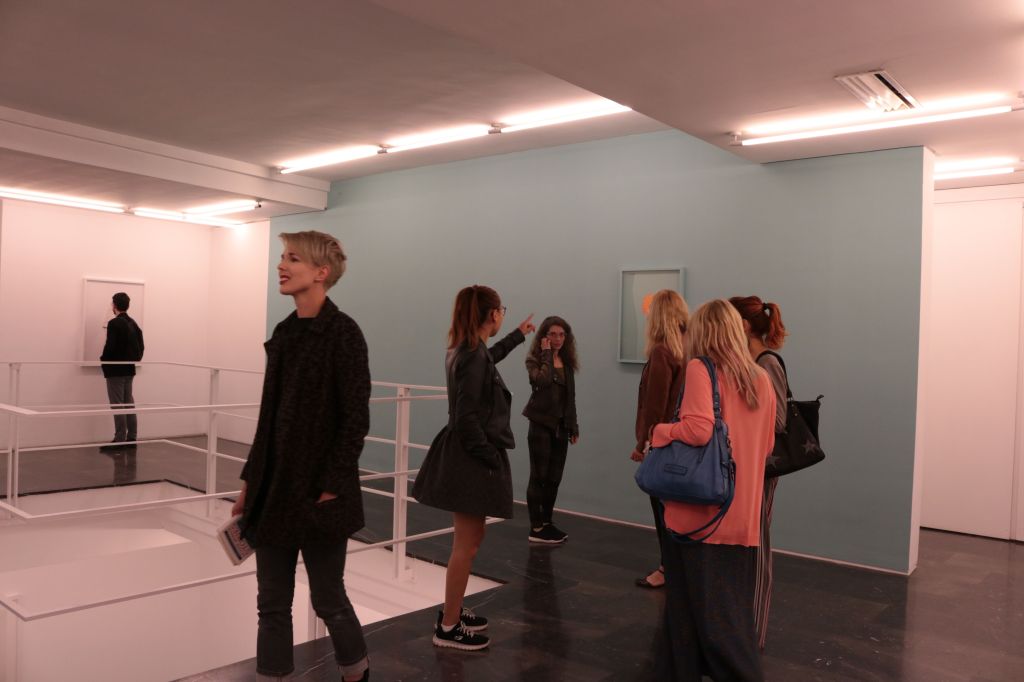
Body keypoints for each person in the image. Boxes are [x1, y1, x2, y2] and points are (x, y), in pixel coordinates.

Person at [232, 230, 371, 682]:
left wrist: (330, 487)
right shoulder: (284, 332)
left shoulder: (344, 333)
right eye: (282, 257)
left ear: (321, 272)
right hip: (273, 493)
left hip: (318, 495)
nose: (281, 265)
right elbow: (268, 417)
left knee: (329, 599)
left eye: (293, 258)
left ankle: (357, 673)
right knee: (271, 604)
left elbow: (355, 420)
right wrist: (250, 483)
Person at [651, 299, 776, 682]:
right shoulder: (761, 378)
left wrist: (660, 431)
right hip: (742, 518)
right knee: (711, 618)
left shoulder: (700, 368)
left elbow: (697, 429)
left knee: (710, 626)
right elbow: (768, 446)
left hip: (700, 516)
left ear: (702, 332)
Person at [412, 285, 535, 650]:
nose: (503, 317)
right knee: (465, 545)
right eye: (502, 311)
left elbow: (489, 359)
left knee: (471, 540)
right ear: (492, 314)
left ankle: (454, 609)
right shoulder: (471, 354)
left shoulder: (467, 350)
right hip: (470, 458)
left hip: (466, 454)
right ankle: (449, 627)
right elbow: (467, 419)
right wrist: (490, 458)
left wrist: (517, 336)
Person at [730, 295, 789, 651]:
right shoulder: (749, 362)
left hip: (761, 468)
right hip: (745, 466)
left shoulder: (767, 363)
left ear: (745, 325)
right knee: (745, 545)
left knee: (759, 546)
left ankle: (754, 635)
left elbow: (778, 420)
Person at [631, 290, 688, 588]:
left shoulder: (662, 353)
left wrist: (642, 443)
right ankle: (680, 569)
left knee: (662, 510)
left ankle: (666, 569)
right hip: (686, 440)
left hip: (663, 443)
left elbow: (655, 405)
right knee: (680, 512)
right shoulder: (690, 351)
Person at [522, 316, 579, 544]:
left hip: (561, 426)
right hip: (540, 424)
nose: (558, 339)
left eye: (562, 334)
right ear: (544, 337)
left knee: (554, 478)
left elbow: (570, 397)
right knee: (539, 476)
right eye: (553, 334)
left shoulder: (567, 362)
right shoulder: (534, 360)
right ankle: (536, 527)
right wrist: (546, 354)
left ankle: (547, 522)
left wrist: (573, 425)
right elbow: (542, 382)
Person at [100, 292, 144, 450]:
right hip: (129, 369)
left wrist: (103, 360)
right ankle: (131, 438)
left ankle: (119, 440)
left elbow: (110, 347)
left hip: (115, 371)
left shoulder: (114, 323)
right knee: (128, 403)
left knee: (118, 404)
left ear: (114, 305)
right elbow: (141, 346)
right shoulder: (133, 323)